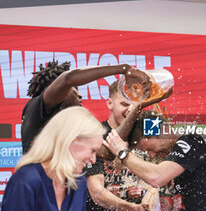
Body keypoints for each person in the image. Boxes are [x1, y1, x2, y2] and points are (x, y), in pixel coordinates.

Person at [104, 111, 206, 211]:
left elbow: (156, 177)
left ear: (163, 129)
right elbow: (155, 186)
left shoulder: (193, 141)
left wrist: (122, 152)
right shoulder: (171, 161)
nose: (151, 155)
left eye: (150, 148)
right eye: (147, 152)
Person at [0, 106, 105, 211]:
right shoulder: (26, 181)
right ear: (71, 141)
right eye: (92, 150)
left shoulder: (79, 184)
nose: (93, 160)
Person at [21, 60, 149, 153]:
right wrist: (125, 69)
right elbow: (67, 79)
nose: (80, 95)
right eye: (75, 88)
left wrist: (139, 106)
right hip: (39, 186)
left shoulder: (70, 122)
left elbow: (107, 152)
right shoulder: (37, 107)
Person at [84, 81, 153, 211]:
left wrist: (145, 210)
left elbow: (155, 181)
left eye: (135, 105)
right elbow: (97, 192)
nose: (130, 110)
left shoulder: (146, 134)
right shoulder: (95, 135)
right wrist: (132, 209)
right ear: (109, 103)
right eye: (124, 103)